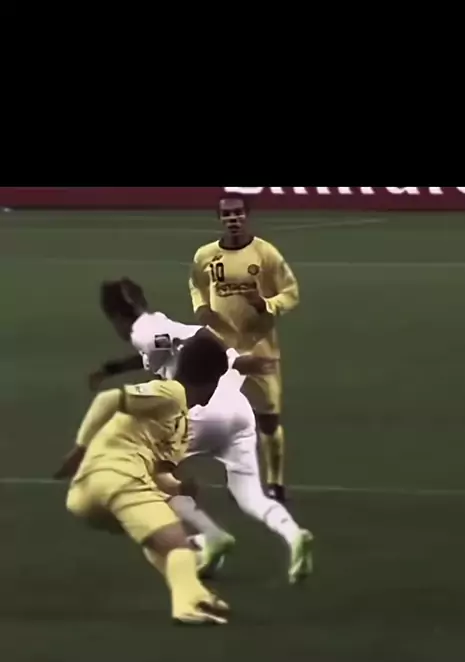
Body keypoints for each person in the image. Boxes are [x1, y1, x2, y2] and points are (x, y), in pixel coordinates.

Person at [89, 279, 313, 585]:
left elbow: (185, 341)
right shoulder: (161, 325)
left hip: (199, 409)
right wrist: (112, 368)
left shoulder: (142, 329)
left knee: (152, 477)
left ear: (116, 317)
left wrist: (175, 382)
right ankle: (294, 534)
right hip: (237, 410)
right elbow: (185, 343)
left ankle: (213, 536)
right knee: (250, 495)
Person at [55, 333, 231, 626]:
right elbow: (108, 399)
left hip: (90, 494)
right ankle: (186, 605)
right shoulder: (171, 392)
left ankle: (196, 594)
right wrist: (80, 449)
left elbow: (159, 475)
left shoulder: (181, 424)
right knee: (176, 542)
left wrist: (179, 487)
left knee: (161, 540)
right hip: (116, 477)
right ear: (211, 381)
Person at [188, 194, 300, 505]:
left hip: (260, 351)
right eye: (227, 214)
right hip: (220, 352)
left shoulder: (265, 253)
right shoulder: (205, 255)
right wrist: (201, 307)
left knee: (269, 420)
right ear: (220, 218)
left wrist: (265, 304)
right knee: (210, 416)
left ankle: (275, 483)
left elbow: (291, 293)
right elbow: (196, 284)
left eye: (238, 213)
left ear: (247, 215)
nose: (233, 219)